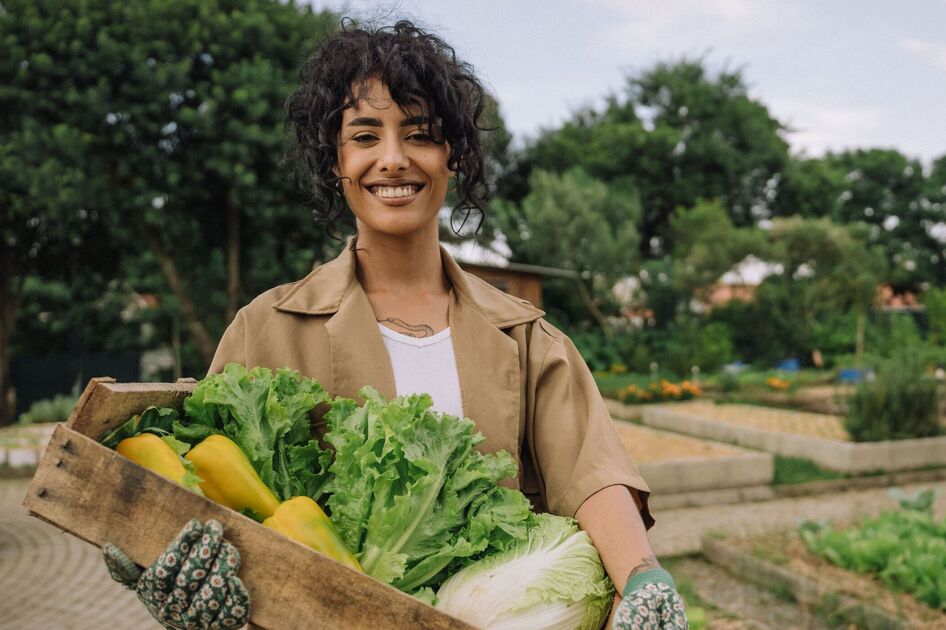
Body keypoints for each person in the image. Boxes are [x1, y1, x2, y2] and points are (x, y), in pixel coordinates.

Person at [102, 20, 687, 630]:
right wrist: (164, 554)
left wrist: (642, 574)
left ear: (451, 156)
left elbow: (590, 474)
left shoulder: (527, 338)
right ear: (336, 160)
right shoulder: (265, 328)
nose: (393, 159)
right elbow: (205, 491)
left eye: (420, 134)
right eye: (364, 135)